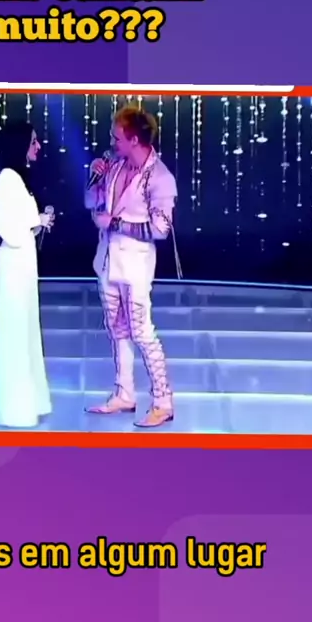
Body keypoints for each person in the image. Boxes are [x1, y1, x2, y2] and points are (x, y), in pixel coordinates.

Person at [84, 105, 177, 428]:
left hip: (136, 266)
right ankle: (124, 393)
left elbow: (161, 229)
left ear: (134, 139)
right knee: (117, 329)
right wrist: (94, 177)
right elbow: (91, 203)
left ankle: (163, 402)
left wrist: (116, 223)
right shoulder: (114, 167)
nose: (112, 143)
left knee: (141, 331)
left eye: (117, 138)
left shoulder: (160, 177)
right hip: (108, 261)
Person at [0, 121, 55, 427]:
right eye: (32, 141)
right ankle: (14, 409)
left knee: (26, 331)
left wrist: (38, 221)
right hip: (14, 265)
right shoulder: (7, 180)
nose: (38, 146)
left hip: (23, 264)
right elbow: (9, 228)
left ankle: (29, 402)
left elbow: (23, 225)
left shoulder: (17, 179)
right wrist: (37, 219)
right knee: (15, 333)